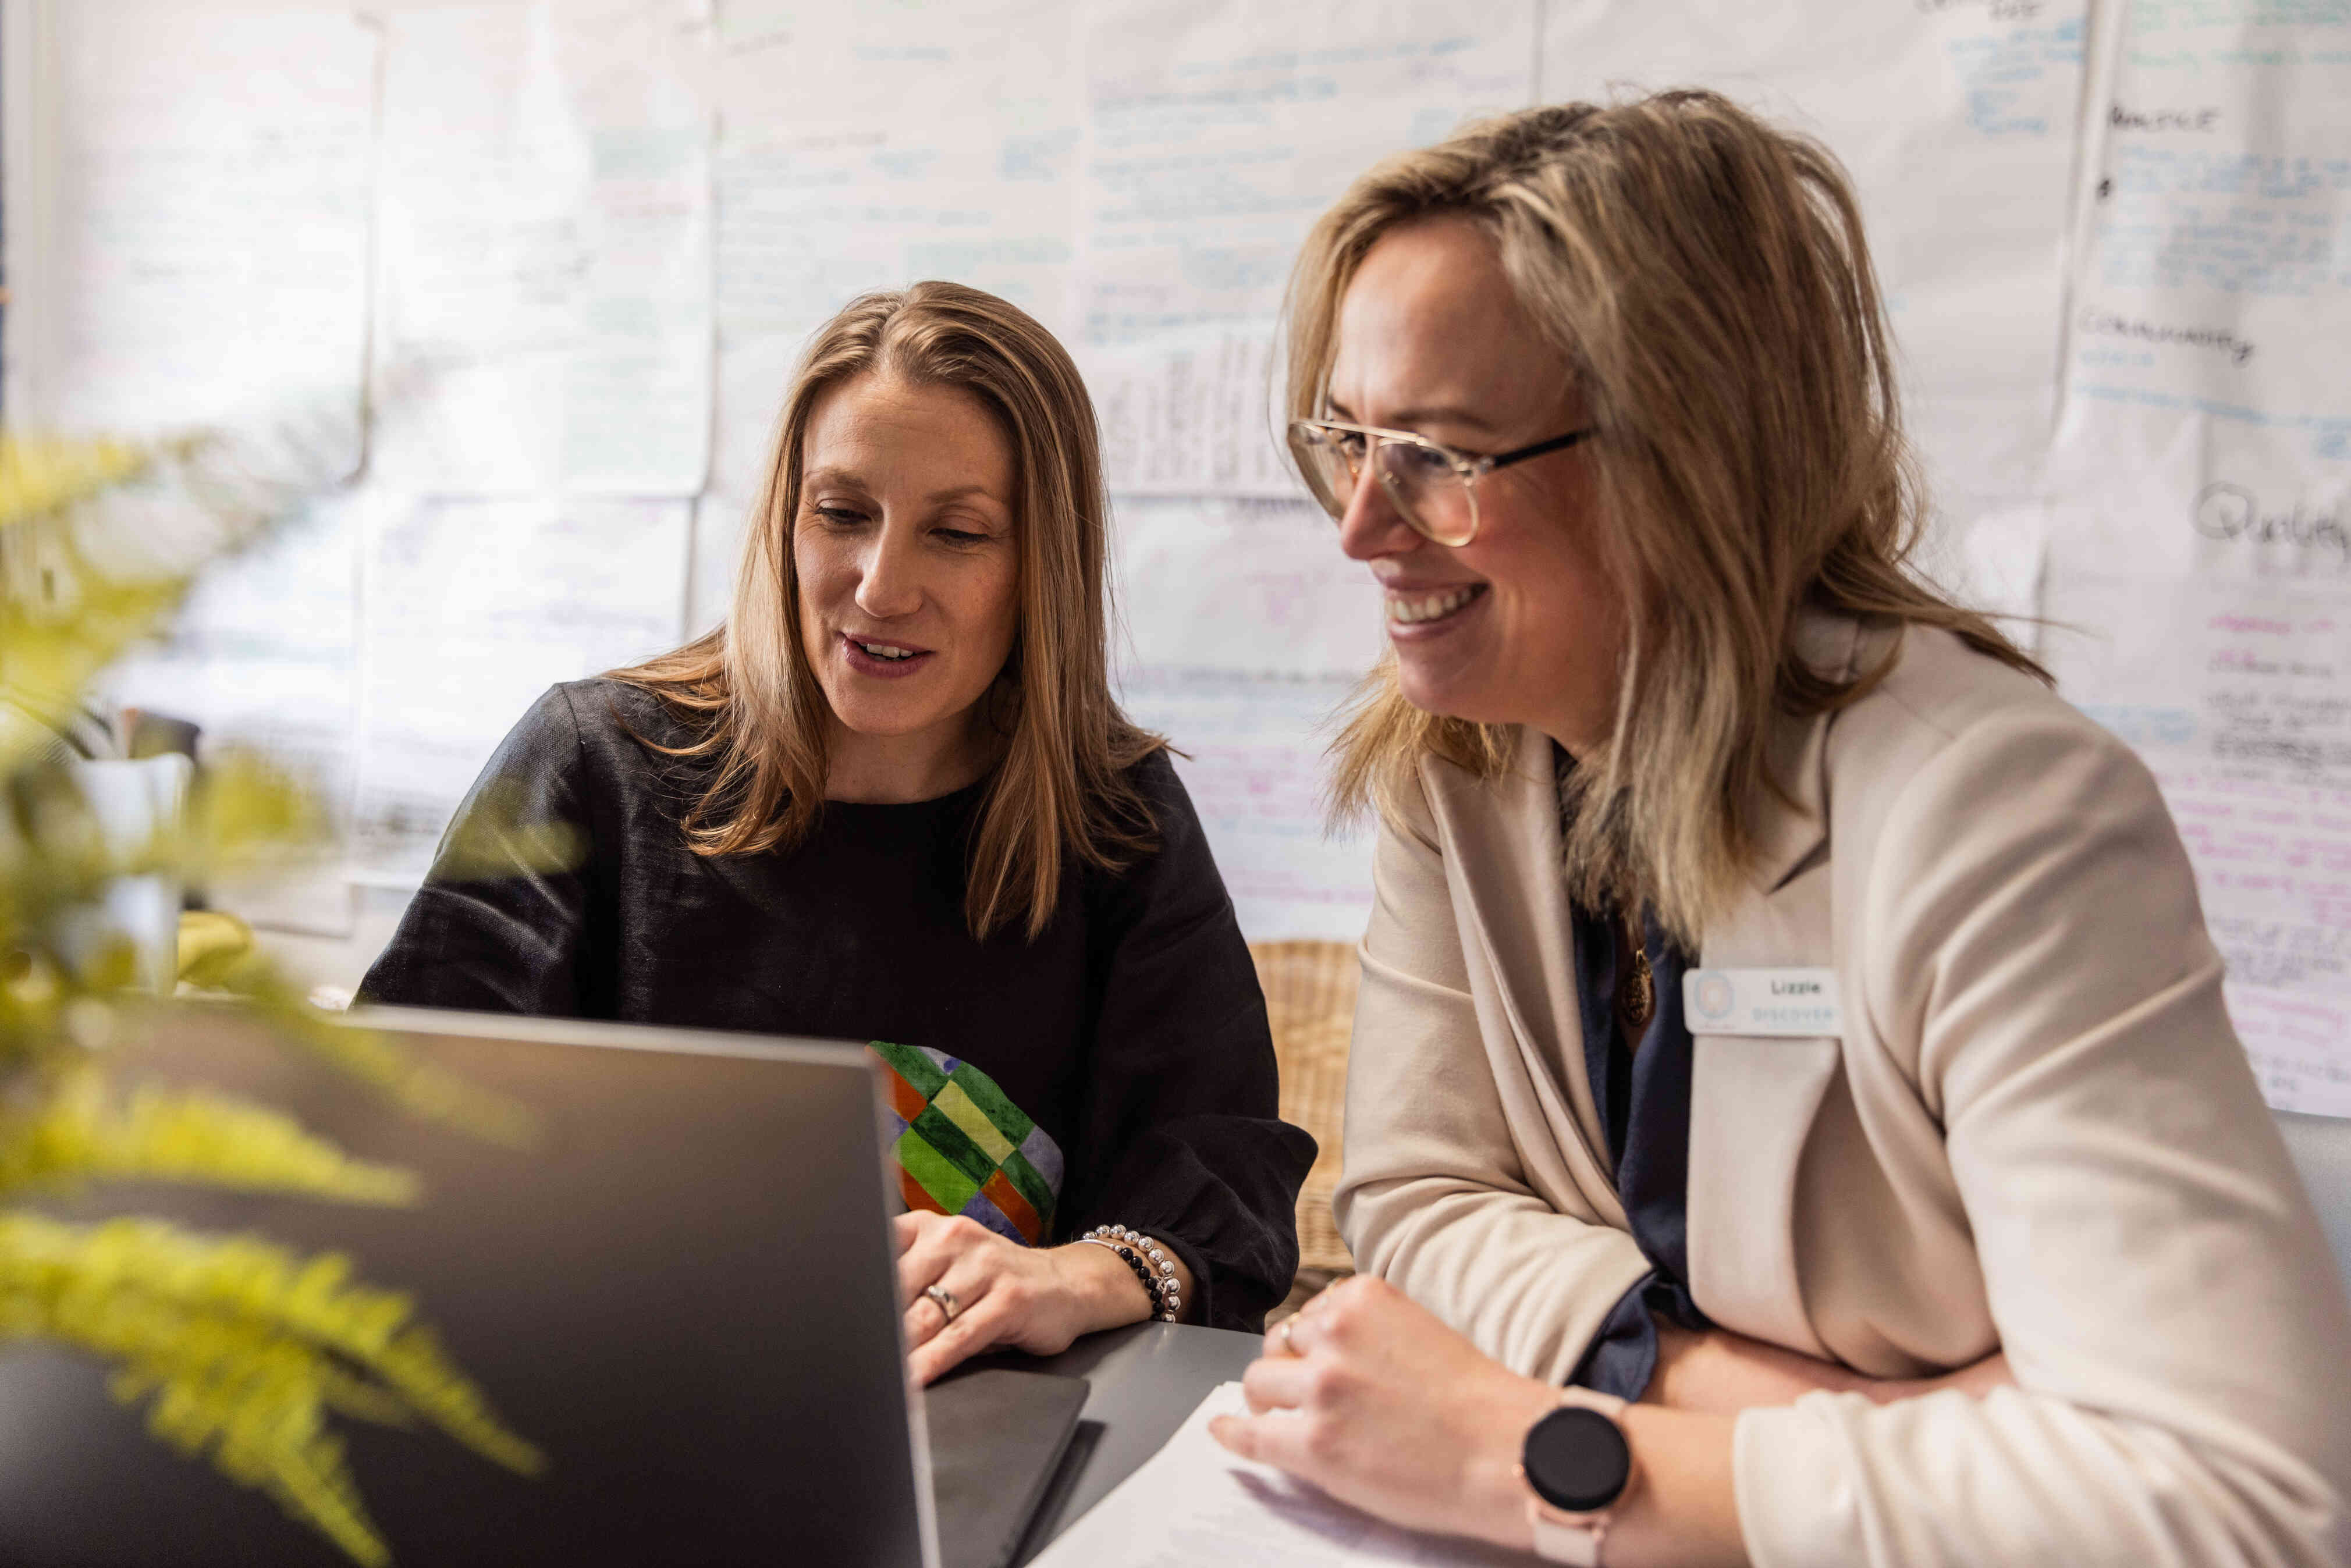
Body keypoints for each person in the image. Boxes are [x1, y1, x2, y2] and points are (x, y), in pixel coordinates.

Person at [1209, 93, 2351, 1567]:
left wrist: (1530, 1454)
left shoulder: (2001, 814)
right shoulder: (1462, 761)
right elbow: (1418, 1191)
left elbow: (2241, 1499)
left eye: (1435, 452)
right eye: (1347, 439)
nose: (1360, 525)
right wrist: (1727, 1398)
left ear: (1678, 458)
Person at [360, 282, 1314, 1381]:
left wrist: (1082, 1274)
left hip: (986, 1422)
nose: (880, 585)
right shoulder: (595, 765)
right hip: (613, 1396)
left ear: (1040, 567)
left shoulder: (1116, 816)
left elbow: (1225, 1182)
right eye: (842, 513)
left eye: (956, 533)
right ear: (785, 519)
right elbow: (387, 1126)